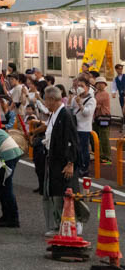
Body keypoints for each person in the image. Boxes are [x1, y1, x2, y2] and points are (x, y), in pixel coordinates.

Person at [42, 86, 81, 236]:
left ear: (52, 99)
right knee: (56, 193)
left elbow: (72, 140)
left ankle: (69, 225)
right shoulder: (55, 114)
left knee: (63, 194)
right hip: (54, 159)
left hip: (63, 162)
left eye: (46, 99)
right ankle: (61, 225)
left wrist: (70, 162)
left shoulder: (66, 115)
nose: (45, 103)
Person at [70, 79, 95, 176]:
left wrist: (80, 103)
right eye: (78, 86)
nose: (79, 88)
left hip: (84, 129)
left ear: (87, 88)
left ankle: (84, 168)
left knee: (83, 149)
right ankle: (77, 166)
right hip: (75, 127)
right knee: (75, 148)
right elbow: (70, 109)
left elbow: (87, 113)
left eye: (82, 86)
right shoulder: (75, 98)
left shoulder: (92, 100)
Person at [93, 77, 112, 165]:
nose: (100, 85)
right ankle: (100, 156)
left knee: (104, 137)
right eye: (98, 83)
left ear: (105, 85)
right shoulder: (96, 93)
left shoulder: (105, 94)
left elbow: (97, 103)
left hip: (104, 117)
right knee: (98, 137)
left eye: (102, 83)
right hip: (97, 117)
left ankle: (107, 157)